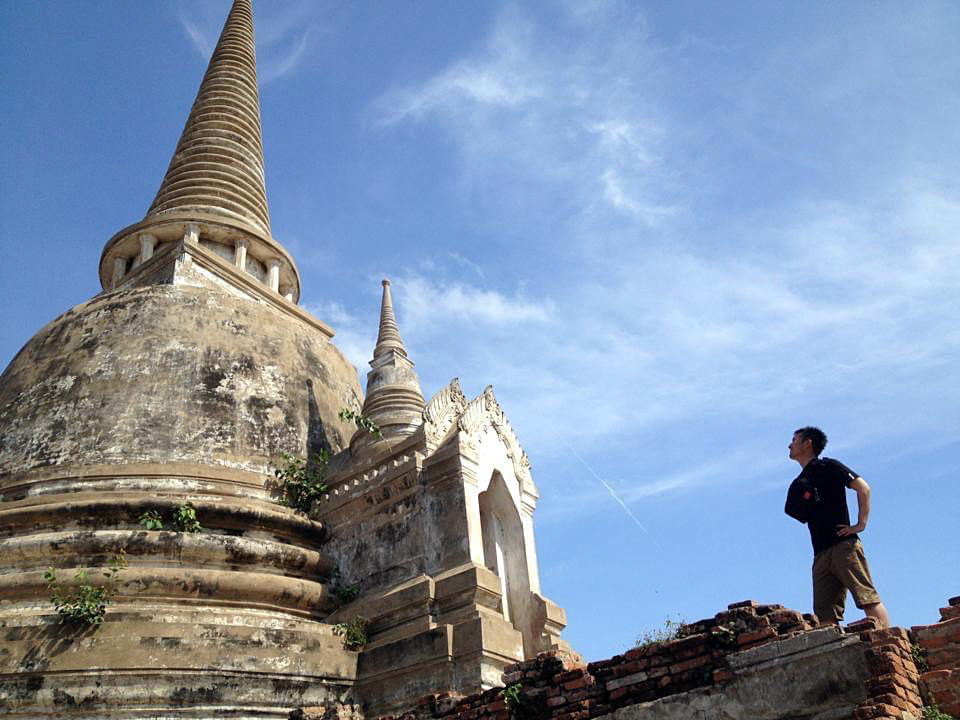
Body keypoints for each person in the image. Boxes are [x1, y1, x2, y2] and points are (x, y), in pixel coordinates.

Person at [787, 426, 889, 628]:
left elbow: (863, 488)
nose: (790, 445)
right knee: (825, 615)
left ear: (808, 443)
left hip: (844, 545)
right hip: (820, 553)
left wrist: (861, 523)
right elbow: (795, 512)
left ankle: (889, 642)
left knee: (866, 597)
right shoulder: (799, 483)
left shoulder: (829, 466)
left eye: (794, 439)